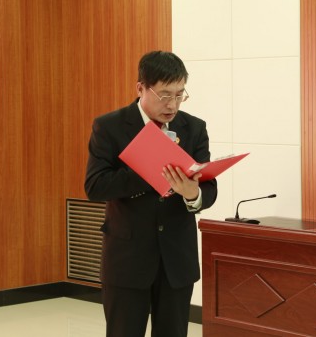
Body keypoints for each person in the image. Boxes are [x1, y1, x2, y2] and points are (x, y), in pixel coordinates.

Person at [85, 50, 218, 337]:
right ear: (141, 88)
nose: (172, 105)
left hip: (176, 259)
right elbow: (95, 186)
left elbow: (209, 189)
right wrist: (148, 169)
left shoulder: (194, 128)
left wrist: (192, 193)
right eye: (164, 95)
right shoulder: (109, 126)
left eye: (180, 95)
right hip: (127, 258)